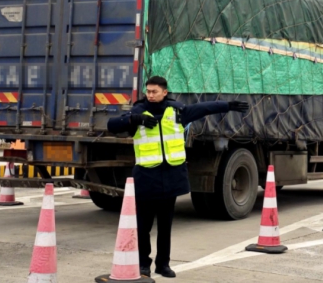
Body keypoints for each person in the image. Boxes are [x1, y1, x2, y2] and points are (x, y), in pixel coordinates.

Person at [107, 76, 249, 278]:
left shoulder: (177, 112)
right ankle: (143, 264)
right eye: (148, 91)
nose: (150, 95)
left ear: (164, 92)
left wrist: (228, 105)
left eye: (154, 91)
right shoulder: (138, 111)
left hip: (171, 177)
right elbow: (112, 124)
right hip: (147, 177)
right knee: (143, 226)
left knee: (165, 226)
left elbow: (204, 108)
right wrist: (134, 120)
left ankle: (163, 264)